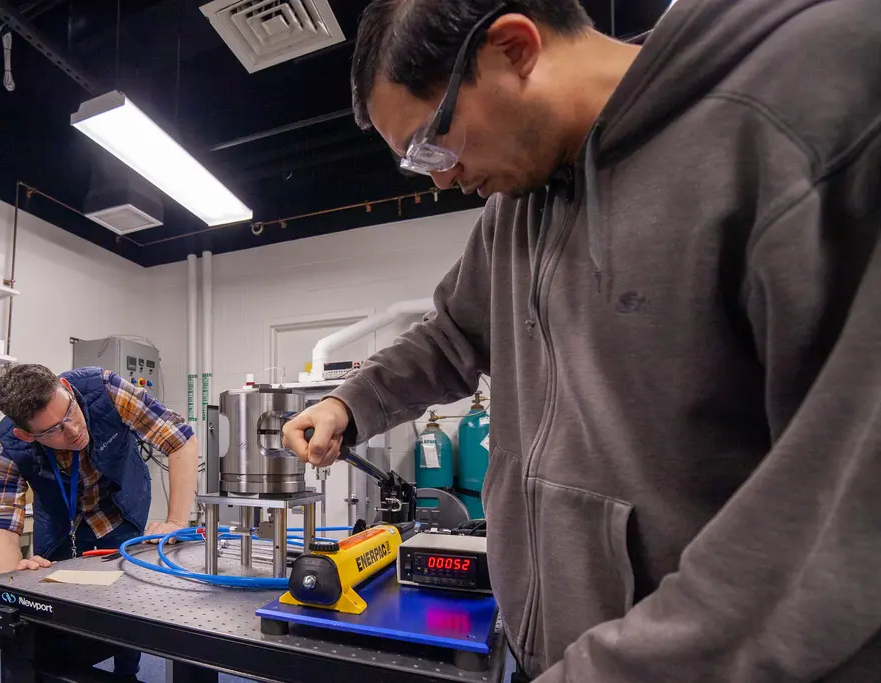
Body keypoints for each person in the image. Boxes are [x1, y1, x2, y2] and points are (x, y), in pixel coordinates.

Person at [282, 0, 881, 681]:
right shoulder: (518, 205)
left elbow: (833, 524)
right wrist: (350, 403)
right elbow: (455, 332)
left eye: (432, 143)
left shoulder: (805, 107)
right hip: (548, 651)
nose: (442, 178)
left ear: (514, 48)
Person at [0, 363, 199, 679]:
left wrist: (176, 521)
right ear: (26, 435)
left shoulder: (106, 390)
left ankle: (127, 673)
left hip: (119, 510)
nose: (72, 431)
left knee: (127, 601)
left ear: (67, 390)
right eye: (53, 430)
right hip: (59, 524)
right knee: (54, 609)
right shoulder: (8, 443)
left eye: (69, 413)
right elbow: (1, 518)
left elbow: (180, 439)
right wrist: (13, 575)